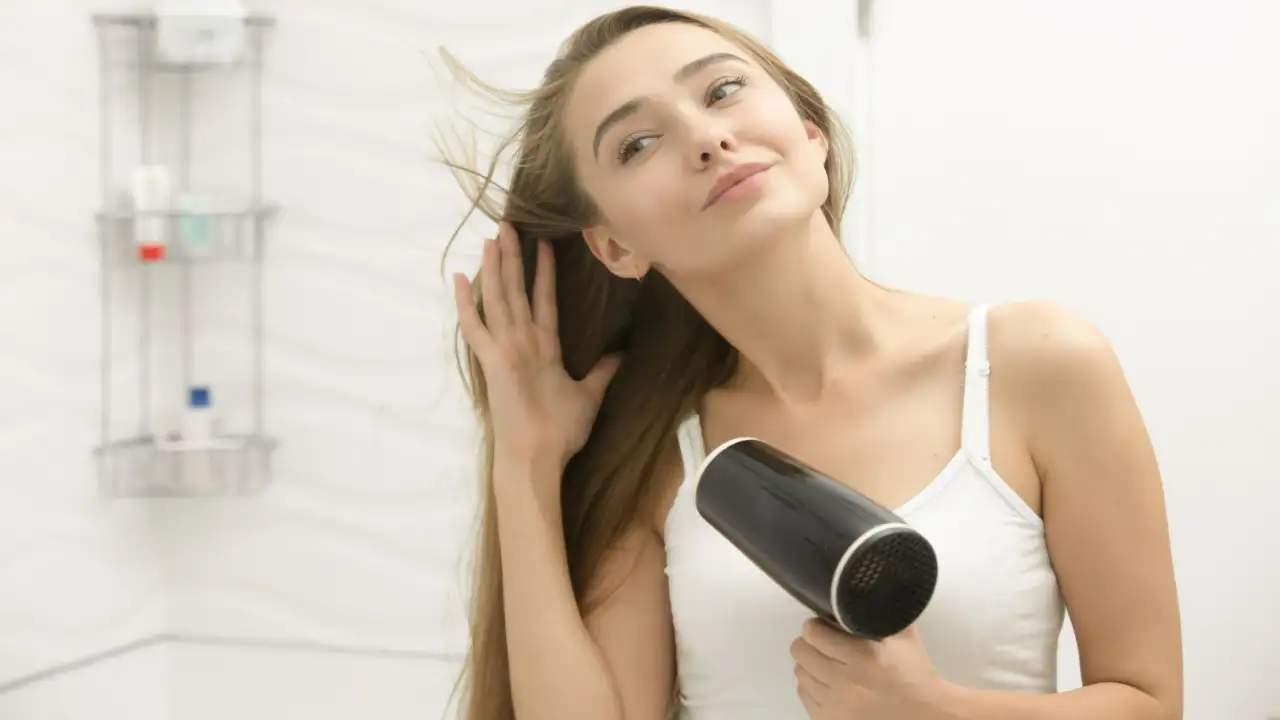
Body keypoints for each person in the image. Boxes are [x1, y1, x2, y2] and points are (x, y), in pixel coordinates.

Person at [442, 5, 1183, 720]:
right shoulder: (662, 457)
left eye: (723, 90)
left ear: (808, 131)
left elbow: (1151, 702)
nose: (706, 138)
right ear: (615, 247)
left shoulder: (1035, 366)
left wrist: (940, 713)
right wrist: (525, 462)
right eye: (637, 144)